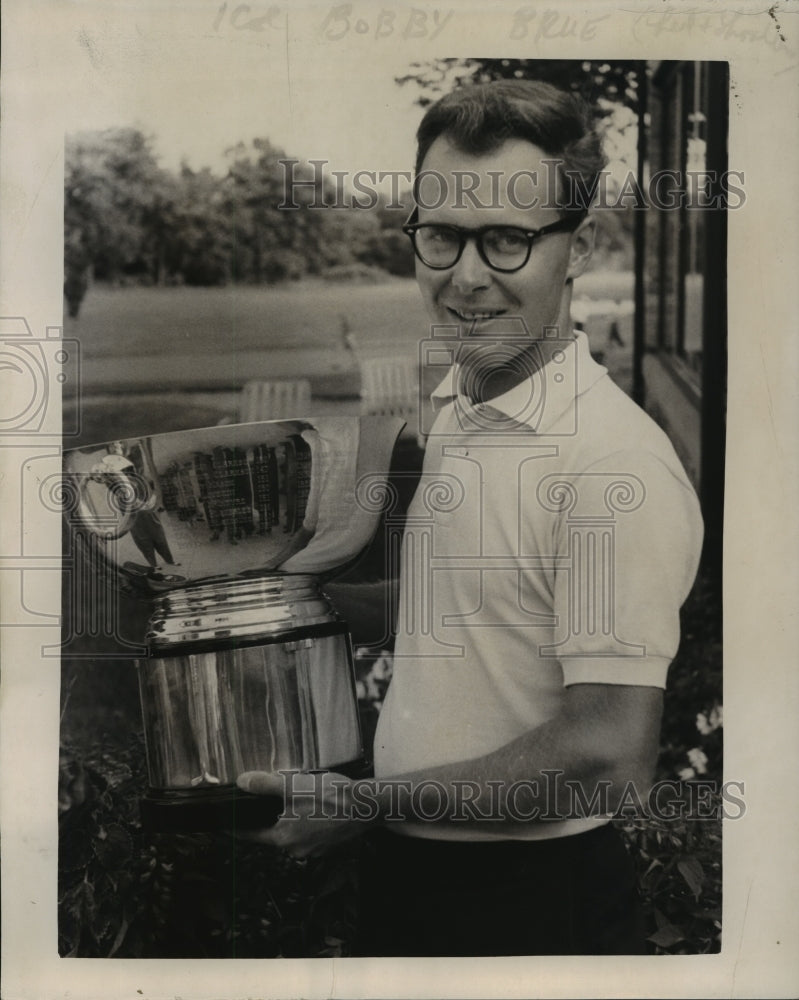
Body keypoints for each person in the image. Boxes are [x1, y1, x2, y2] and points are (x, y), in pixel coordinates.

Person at [237, 79, 704, 956]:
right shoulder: (465, 402)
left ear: (577, 246)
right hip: (414, 877)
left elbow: (609, 756)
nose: (465, 276)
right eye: (442, 234)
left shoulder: (611, 463)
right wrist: (271, 607)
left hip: (532, 905)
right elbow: (471, 615)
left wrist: (364, 804)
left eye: (506, 239)